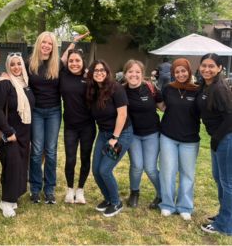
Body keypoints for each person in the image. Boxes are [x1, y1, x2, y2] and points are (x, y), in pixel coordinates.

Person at [86, 60, 133, 217]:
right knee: (96, 170)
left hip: (120, 135)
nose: (99, 72)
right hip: (103, 133)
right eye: (96, 70)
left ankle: (116, 202)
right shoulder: (93, 90)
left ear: (107, 72)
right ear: (91, 74)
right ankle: (107, 199)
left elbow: (122, 114)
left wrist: (115, 137)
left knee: (105, 170)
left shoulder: (116, 88)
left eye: (102, 70)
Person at [0, 52, 35, 217]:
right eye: (12, 64)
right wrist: (8, 131)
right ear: (7, 66)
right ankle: (6, 201)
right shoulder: (3, 83)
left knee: (21, 164)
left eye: (19, 64)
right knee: (12, 164)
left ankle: (14, 195)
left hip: (24, 132)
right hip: (8, 133)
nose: (16, 67)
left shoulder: (25, 83)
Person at [159, 58, 200, 221]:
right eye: (177, 71)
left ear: (189, 71)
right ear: (173, 73)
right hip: (168, 136)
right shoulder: (168, 88)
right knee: (168, 172)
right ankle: (167, 204)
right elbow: (161, 106)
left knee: (187, 174)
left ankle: (185, 206)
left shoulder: (198, 90)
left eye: (183, 71)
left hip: (190, 139)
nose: (180, 74)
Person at [197, 53, 232, 235]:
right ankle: (224, 216)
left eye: (211, 66)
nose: (207, 69)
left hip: (226, 138)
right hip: (218, 138)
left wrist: (218, 138)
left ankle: (225, 226)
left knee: (227, 182)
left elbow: (230, 117)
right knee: (219, 178)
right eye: (204, 65)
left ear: (219, 68)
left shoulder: (219, 88)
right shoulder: (205, 86)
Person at [123, 59, 164, 209]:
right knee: (137, 166)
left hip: (152, 133)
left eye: (137, 72)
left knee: (151, 168)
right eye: (130, 71)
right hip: (132, 135)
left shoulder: (151, 88)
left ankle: (162, 195)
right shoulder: (121, 90)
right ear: (125, 74)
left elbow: (163, 107)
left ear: (142, 74)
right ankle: (134, 193)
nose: (134, 74)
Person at [27, 31, 61, 204]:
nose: (47, 45)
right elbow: (17, 78)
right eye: (44, 42)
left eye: (50, 43)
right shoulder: (30, 64)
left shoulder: (57, 65)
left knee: (51, 151)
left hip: (54, 111)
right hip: (37, 112)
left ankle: (49, 189)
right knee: (36, 151)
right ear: (39, 43)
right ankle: (34, 188)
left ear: (53, 47)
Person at [60, 48, 96, 204]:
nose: (74, 63)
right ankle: (69, 190)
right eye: (71, 61)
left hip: (88, 126)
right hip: (70, 127)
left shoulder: (90, 77)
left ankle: (80, 190)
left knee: (85, 158)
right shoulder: (62, 76)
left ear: (83, 62)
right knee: (70, 159)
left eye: (77, 61)